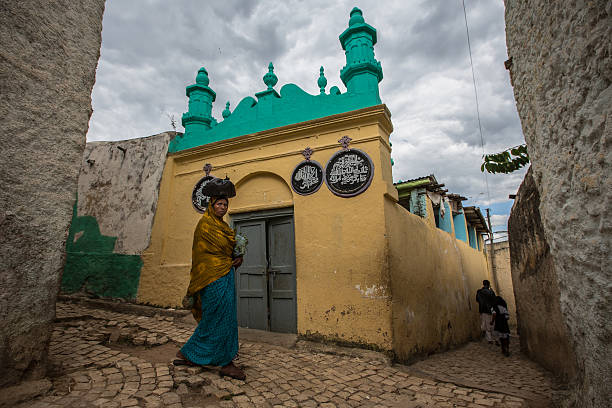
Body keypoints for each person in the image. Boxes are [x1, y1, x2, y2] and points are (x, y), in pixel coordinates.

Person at [175, 195, 246, 380]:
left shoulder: (224, 227)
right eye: (219, 204)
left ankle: (199, 355)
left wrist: (238, 256)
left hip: (225, 275)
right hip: (210, 279)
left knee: (227, 318)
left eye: (225, 204)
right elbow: (205, 253)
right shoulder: (205, 225)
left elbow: (227, 249)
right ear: (211, 206)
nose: (222, 207)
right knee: (216, 318)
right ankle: (223, 363)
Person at [476, 280, 496, 344]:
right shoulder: (491, 292)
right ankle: (496, 339)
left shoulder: (480, 292)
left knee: (486, 325)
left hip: (483, 310)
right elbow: (494, 300)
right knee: (492, 324)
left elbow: (477, 300)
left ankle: (489, 339)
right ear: (488, 284)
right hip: (491, 310)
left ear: (483, 284)